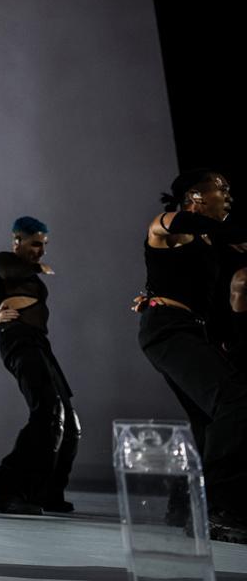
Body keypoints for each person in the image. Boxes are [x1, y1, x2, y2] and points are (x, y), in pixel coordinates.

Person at [135, 170, 247, 543]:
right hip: (167, 328)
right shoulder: (168, 223)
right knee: (234, 398)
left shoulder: (206, 239)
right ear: (196, 197)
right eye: (222, 189)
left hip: (186, 329)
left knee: (210, 418)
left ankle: (185, 505)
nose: (228, 195)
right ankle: (216, 509)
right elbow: (174, 227)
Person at [0, 217, 79, 515]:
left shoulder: (28, 273)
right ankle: (6, 491)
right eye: (35, 243)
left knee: (70, 422)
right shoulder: (4, 261)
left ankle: (48, 492)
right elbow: (9, 270)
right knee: (48, 410)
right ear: (17, 241)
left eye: (44, 245)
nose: (41, 251)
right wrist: (37, 269)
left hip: (40, 344)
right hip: (19, 341)